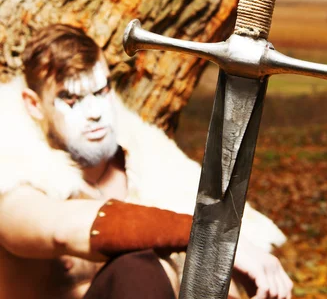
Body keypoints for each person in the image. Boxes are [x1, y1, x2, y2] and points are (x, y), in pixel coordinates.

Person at [0, 24, 293, 299]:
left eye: (101, 92)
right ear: (33, 104)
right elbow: (62, 229)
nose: (94, 112)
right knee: (135, 268)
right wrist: (214, 240)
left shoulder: (153, 167)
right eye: (71, 99)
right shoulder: (18, 170)